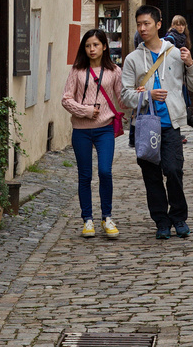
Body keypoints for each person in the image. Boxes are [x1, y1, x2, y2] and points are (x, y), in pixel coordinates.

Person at [121, 5, 193, 239]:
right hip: (145, 126)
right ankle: (161, 222)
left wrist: (190, 64)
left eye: (147, 23)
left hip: (171, 125)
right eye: (139, 24)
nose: (142, 28)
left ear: (158, 25)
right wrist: (147, 95)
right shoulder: (133, 59)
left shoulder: (176, 53)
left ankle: (179, 217)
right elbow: (125, 95)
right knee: (152, 176)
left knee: (174, 171)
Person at [62, 28, 124, 238]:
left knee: (105, 171)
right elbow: (66, 99)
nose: (92, 49)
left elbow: (121, 98)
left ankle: (107, 217)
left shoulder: (114, 71)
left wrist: (138, 94)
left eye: (96, 45)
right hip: (81, 130)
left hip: (104, 129)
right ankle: (87, 219)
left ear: (104, 46)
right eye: (88, 45)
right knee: (85, 175)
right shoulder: (77, 70)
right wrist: (85, 111)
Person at [164, 15, 193, 139]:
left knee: (182, 103)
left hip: (181, 76)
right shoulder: (170, 39)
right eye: (177, 24)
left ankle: (179, 129)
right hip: (173, 75)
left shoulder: (183, 38)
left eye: (182, 24)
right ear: (172, 25)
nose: (180, 27)